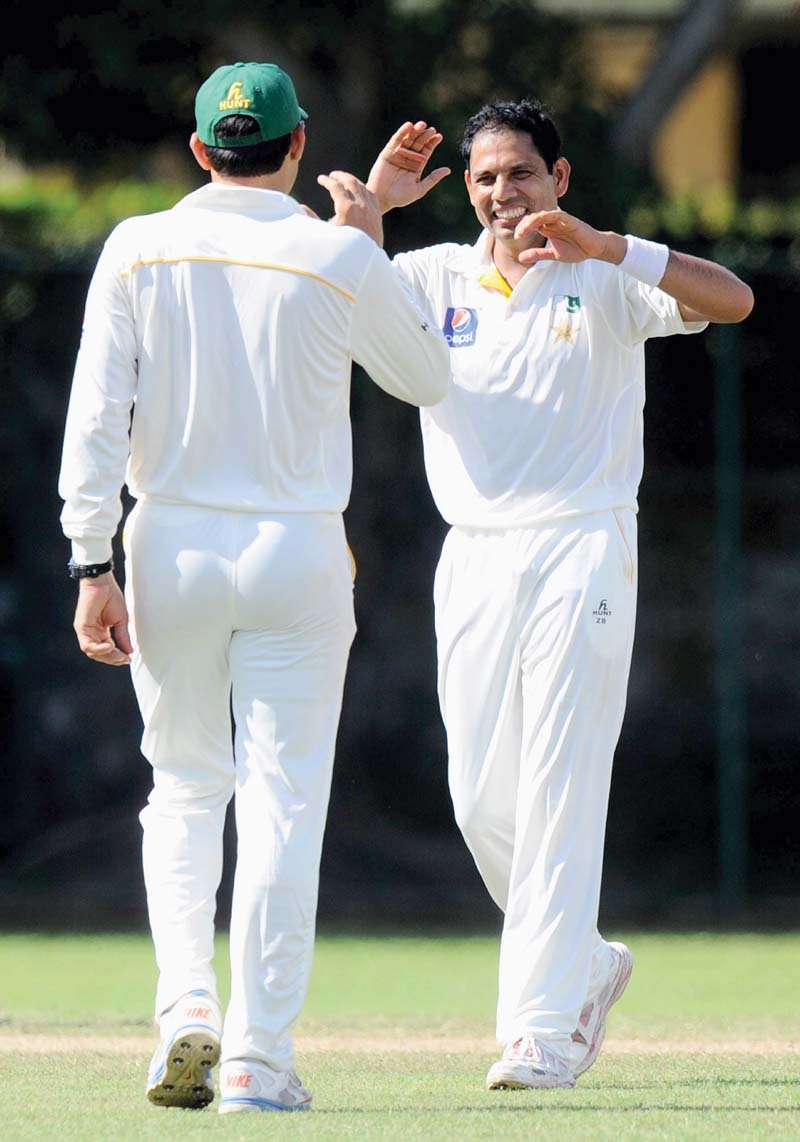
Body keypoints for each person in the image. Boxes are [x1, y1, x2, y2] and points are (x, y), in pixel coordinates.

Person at [58, 61, 449, 1114]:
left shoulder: (138, 244)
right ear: (294, 145)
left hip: (169, 540)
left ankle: (185, 1011)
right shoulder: (333, 253)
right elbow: (427, 378)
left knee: (184, 788)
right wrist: (368, 231)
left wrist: (91, 559)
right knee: (283, 806)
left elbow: (96, 415)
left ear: (199, 151)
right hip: (296, 545)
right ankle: (254, 1060)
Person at [366, 101, 753, 1090]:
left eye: (522, 174)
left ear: (559, 177)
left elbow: (732, 298)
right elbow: (324, 301)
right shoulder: (427, 277)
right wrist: (369, 205)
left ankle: (539, 1029)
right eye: (487, 177)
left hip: (582, 540)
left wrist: (612, 246)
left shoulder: (603, 275)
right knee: (476, 799)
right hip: (476, 554)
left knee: (557, 784)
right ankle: (581, 959)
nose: (505, 193)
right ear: (466, 189)